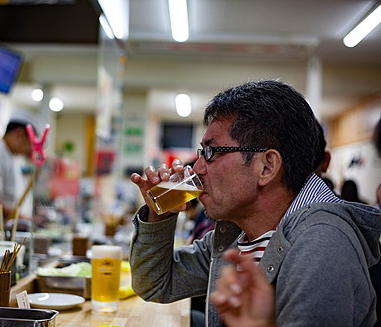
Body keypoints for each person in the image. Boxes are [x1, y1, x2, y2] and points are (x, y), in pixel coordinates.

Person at [129, 80, 381, 326]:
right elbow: (157, 284)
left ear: (267, 167)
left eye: (211, 152)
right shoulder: (240, 232)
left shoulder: (322, 243)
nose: (197, 167)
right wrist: (158, 214)